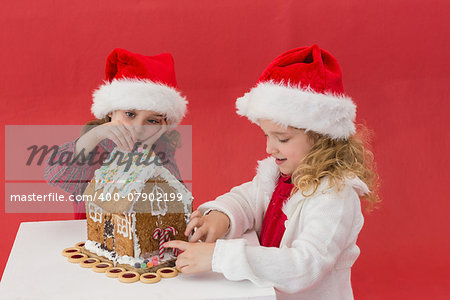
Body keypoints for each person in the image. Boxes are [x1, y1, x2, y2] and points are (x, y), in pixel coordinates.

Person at [164, 45, 380, 300]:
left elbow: (305, 265)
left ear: (323, 137)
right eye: (266, 135)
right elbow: (246, 200)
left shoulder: (335, 196)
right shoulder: (280, 177)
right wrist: (221, 217)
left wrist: (218, 257)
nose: (269, 147)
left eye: (282, 138)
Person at [45, 48, 188, 219]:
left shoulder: (160, 150)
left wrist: (145, 152)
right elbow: (55, 174)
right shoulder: (96, 147)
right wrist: (93, 136)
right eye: (130, 114)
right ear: (111, 111)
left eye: (152, 121)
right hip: (93, 237)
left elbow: (177, 199)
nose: (138, 127)